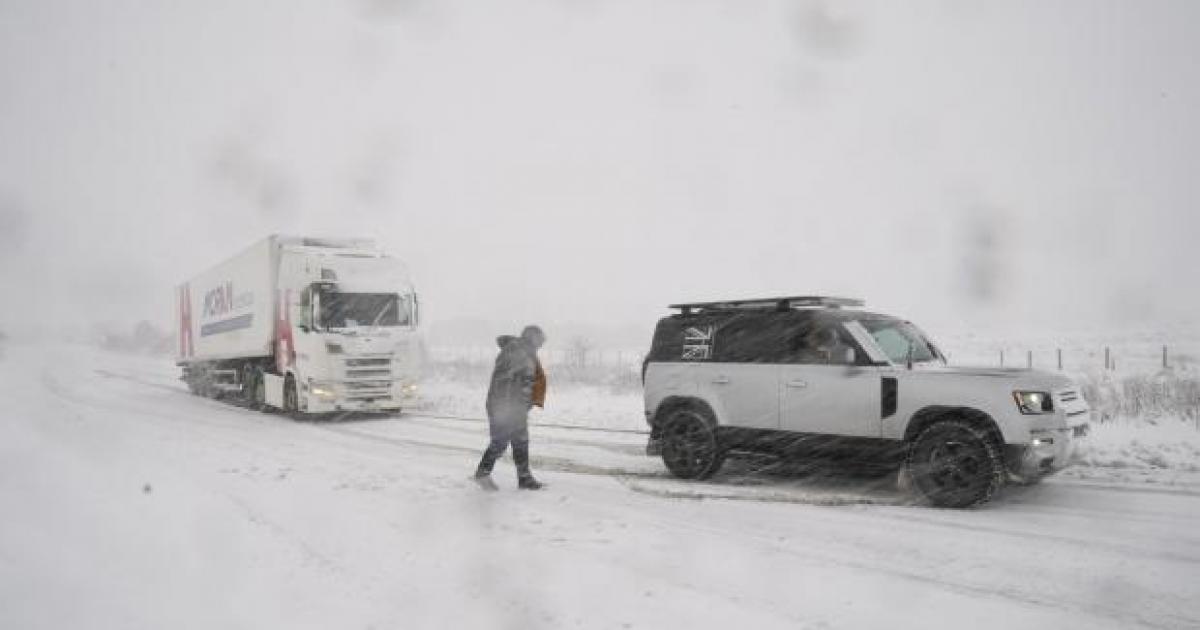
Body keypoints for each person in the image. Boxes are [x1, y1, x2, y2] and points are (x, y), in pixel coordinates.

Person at [474, 325, 547, 490]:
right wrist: (510, 407)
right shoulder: (517, 352)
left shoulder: (524, 352)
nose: (542, 344)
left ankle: (524, 478)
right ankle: (482, 474)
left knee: (520, 442)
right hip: (506, 406)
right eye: (540, 339)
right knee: (500, 441)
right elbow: (504, 380)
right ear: (532, 337)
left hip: (514, 406)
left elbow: (527, 380)